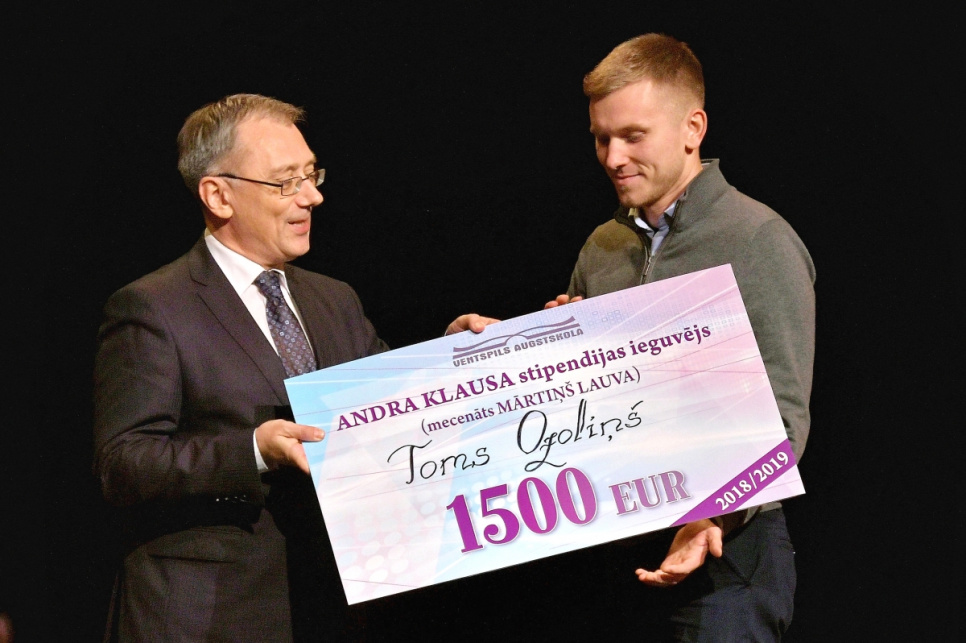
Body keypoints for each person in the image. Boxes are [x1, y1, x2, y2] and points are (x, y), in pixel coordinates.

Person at [93, 94, 484, 642]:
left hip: (321, 605)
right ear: (218, 195)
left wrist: (449, 357)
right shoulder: (154, 307)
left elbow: (383, 407)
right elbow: (123, 464)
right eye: (285, 182)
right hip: (205, 618)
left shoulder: (334, 299)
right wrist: (253, 450)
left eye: (311, 175)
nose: (312, 196)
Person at [544, 34, 815, 640]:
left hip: (726, 558)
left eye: (633, 136)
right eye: (601, 138)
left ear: (693, 128)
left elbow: (783, 419)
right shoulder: (602, 247)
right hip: (617, 549)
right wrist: (536, 352)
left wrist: (715, 514)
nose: (613, 157)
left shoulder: (758, 239)